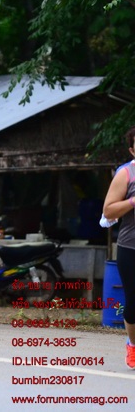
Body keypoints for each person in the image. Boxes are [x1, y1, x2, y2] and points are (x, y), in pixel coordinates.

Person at [102, 125, 135, 369]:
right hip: (131, 247)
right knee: (133, 303)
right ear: (132, 150)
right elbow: (109, 210)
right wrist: (133, 201)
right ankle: (132, 345)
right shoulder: (126, 174)